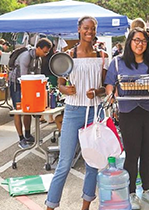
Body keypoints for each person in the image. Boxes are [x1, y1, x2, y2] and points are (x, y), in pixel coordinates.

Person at [105, 27, 149, 209]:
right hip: (128, 112)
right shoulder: (118, 63)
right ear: (130, 42)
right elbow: (110, 84)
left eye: (143, 40)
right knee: (132, 154)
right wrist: (111, 94)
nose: (139, 44)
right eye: (136, 40)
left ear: (147, 44)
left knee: (147, 153)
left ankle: (148, 190)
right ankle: (132, 193)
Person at [45, 16, 108, 210]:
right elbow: (60, 85)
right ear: (79, 29)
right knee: (64, 163)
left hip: (95, 113)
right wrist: (66, 90)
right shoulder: (68, 55)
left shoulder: (102, 56)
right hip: (72, 111)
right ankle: (50, 206)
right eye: (86, 28)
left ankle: (85, 207)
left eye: (93, 29)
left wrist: (97, 92)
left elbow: (106, 87)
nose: (90, 32)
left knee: (92, 163)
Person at [8, 38, 52, 148]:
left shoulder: (39, 59)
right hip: (16, 84)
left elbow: (37, 75)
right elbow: (23, 77)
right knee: (18, 110)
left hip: (28, 84)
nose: (46, 54)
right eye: (45, 51)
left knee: (28, 108)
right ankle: (21, 137)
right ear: (38, 48)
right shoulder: (26, 57)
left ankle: (28, 134)